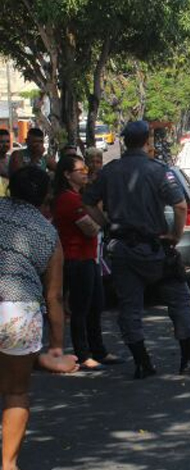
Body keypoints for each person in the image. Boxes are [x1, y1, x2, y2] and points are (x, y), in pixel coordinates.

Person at [82, 121, 190, 379]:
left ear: (124, 141)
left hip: (123, 249)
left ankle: (142, 362)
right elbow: (180, 206)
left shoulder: (110, 172)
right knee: (180, 301)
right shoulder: (157, 170)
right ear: (147, 139)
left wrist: (106, 225)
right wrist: (175, 235)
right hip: (156, 249)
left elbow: (88, 201)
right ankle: (189, 357)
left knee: (129, 307)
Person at [0, 167, 76, 470]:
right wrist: (57, 345)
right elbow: (54, 296)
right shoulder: (47, 233)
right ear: (46, 197)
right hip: (19, 311)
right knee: (16, 392)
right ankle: (8, 464)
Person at [52, 156, 124, 371]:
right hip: (76, 260)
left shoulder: (79, 197)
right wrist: (99, 219)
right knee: (81, 309)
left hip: (89, 258)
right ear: (67, 174)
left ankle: (99, 350)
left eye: (85, 169)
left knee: (96, 306)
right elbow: (90, 228)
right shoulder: (69, 200)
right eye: (80, 169)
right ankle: (83, 354)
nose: (85, 172)